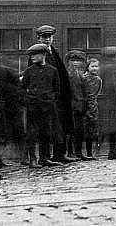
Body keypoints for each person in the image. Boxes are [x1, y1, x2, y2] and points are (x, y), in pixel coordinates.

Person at [34, 25, 76, 163]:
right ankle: (44, 157)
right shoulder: (37, 54)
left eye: (49, 37)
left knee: (60, 125)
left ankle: (59, 153)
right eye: (44, 37)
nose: (47, 40)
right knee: (45, 127)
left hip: (59, 98)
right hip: (46, 98)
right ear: (38, 38)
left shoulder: (53, 52)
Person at [21, 42, 61, 168]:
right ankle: (33, 159)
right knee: (32, 133)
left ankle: (44, 158)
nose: (32, 57)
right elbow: (22, 88)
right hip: (33, 107)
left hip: (47, 106)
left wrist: (51, 99)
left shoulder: (53, 71)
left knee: (46, 132)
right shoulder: (29, 71)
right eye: (31, 55)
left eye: (34, 54)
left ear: (43, 55)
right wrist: (27, 100)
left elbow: (57, 89)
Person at [66, 49, 88, 159]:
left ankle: (79, 152)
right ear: (68, 62)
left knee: (80, 130)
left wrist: (85, 104)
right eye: (73, 60)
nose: (76, 63)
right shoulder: (67, 75)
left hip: (80, 106)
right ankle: (70, 152)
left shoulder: (80, 75)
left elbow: (84, 91)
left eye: (78, 60)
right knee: (70, 130)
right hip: (70, 107)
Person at [81, 57, 102, 161]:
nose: (94, 68)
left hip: (94, 106)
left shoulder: (98, 80)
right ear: (88, 67)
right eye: (92, 66)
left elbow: (97, 92)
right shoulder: (83, 78)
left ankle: (94, 153)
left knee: (94, 130)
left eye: (96, 66)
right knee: (85, 130)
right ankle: (87, 153)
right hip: (84, 105)